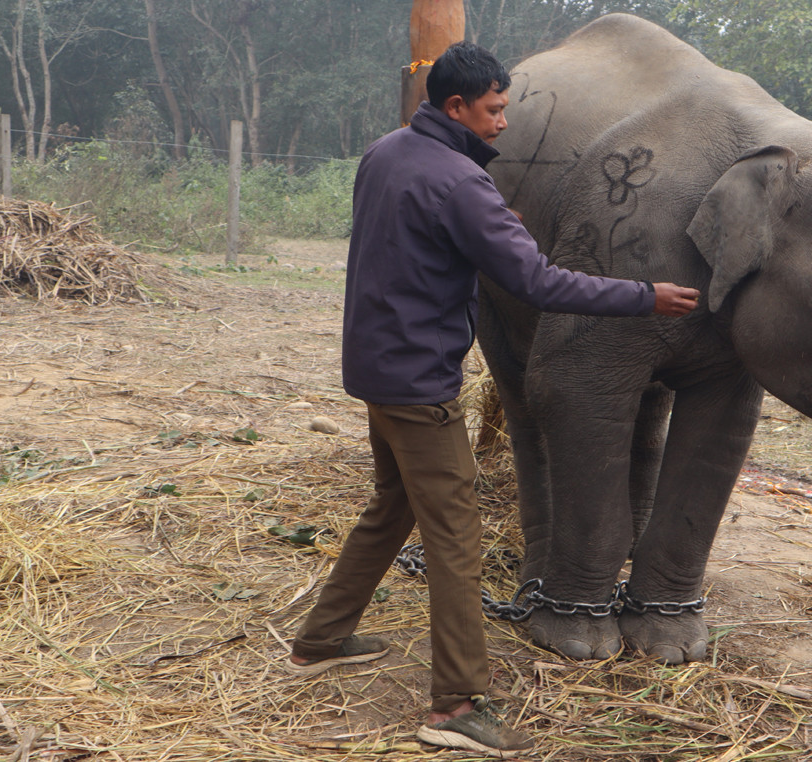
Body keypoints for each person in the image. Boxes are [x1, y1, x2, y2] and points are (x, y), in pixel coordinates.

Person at [287, 40, 700, 758]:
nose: (504, 122)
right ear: (457, 106)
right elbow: (540, 283)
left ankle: (321, 638)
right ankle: (454, 706)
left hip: (376, 370)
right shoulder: (461, 183)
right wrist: (645, 296)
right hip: (421, 386)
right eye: (494, 109)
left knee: (393, 508)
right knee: (456, 543)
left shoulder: (386, 152)